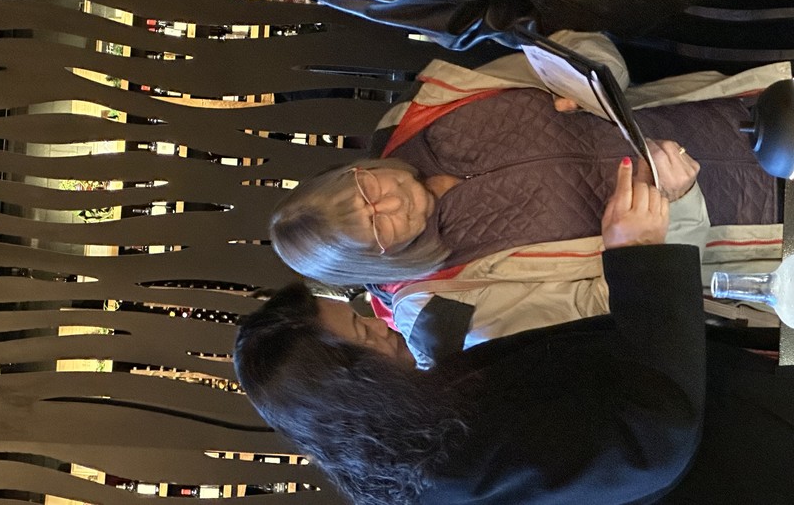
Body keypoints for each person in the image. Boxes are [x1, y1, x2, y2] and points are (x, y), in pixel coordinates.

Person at [234, 162, 794, 505]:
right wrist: (640, 258)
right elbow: (650, 443)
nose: (380, 327)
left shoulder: (425, 423)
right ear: (355, 388)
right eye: (362, 329)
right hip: (749, 459)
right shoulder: (452, 472)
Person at [269, 31, 787, 360]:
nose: (388, 204)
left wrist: (587, 75)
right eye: (375, 227)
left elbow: (573, 50)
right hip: (765, 238)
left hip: (746, 110)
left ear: (355, 169)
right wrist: (677, 204)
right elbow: (615, 315)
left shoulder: (422, 111)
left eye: (366, 190)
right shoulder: (441, 311)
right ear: (373, 263)